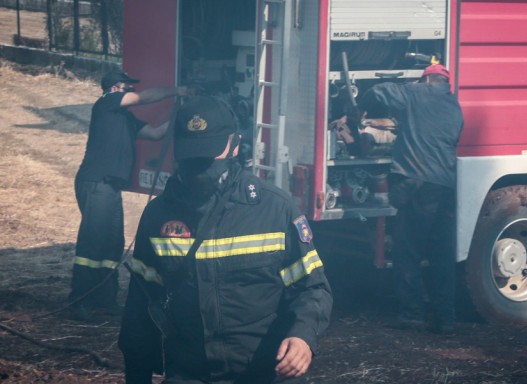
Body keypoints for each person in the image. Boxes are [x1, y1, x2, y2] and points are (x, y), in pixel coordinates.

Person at [119, 95, 333, 383]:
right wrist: (137, 374)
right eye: (191, 155)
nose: (200, 165)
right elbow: (141, 306)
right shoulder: (157, 217)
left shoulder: (276, 209)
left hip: (267, 373)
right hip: (191, 373)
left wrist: (303, 336)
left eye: (209, 154)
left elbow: (313, 288)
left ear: (236, 145)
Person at [69, 70, 191, 321]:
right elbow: (143, 98)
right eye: (127, 86)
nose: (130, 90)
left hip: (111, 187)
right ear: (115, 87)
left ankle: (104, 299)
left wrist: (183, 115)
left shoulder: (125, 119)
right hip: (96, 182)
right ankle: (78, 301)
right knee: (92, 243)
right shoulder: (106, 103)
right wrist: (177, 91)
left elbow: (157, 133)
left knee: (112, 242)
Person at [356, 64, 464, 333]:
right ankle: (445, 319)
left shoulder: (416, 93)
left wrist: (359, 105)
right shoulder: (455, 107)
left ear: (425, 79)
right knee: (441, 256)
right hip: (447, 187)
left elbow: (379, 91)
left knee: (408, 251)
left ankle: (412, 314)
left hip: (417, 185)